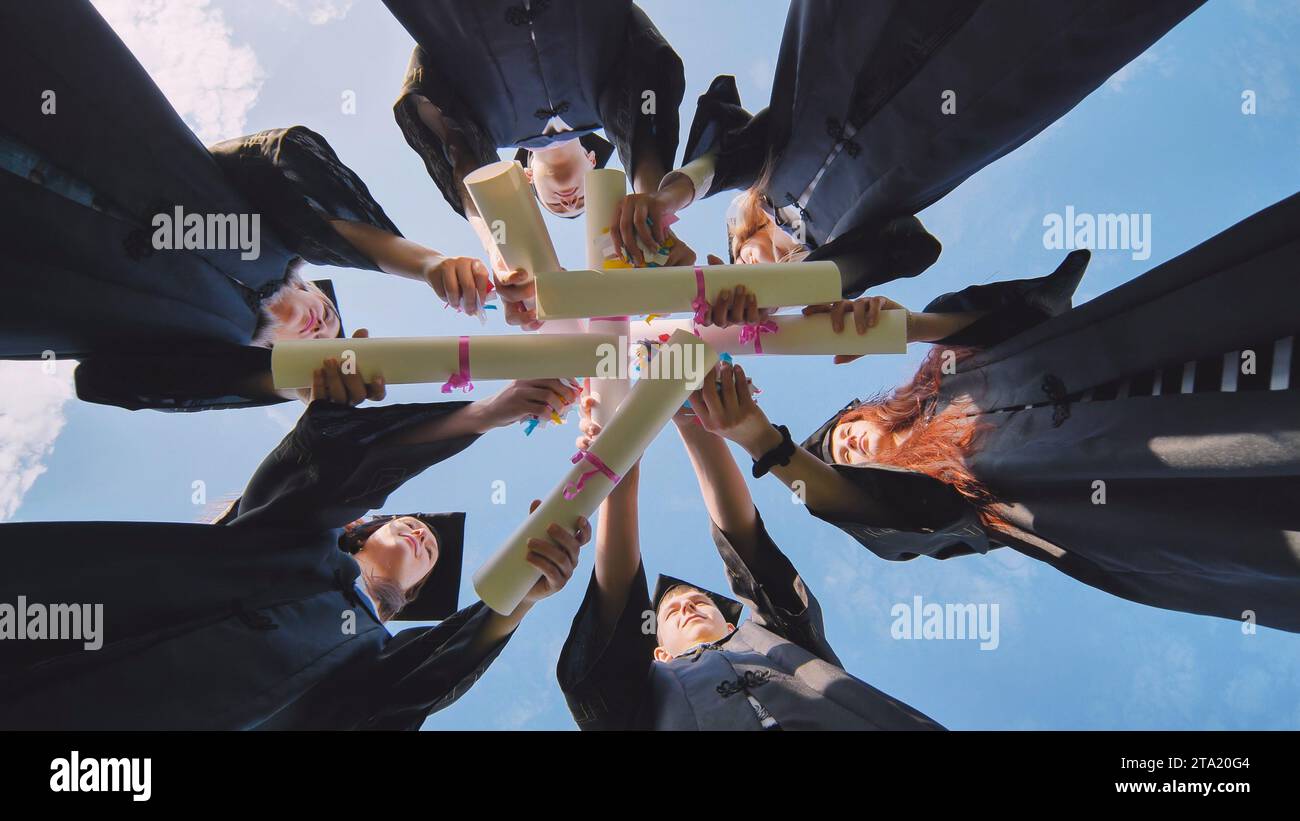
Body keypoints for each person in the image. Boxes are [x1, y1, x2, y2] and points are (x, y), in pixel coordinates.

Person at [695, 193, 1300, 633]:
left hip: (1166, 352)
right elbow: (863, 506)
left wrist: (900, 327)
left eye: (845, 433)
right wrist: (763, 440)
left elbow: (1025, 318)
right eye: (841, 460)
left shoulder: (948, 376)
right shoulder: (955, 503)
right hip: (1152, 474)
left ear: (874, 411)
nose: (846, 447)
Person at [0, 362, 589, 729]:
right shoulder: (287, 542)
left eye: (431, 551)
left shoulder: (369, 662)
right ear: (358, 527)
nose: (421, 532)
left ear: (411, 598)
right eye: (408, 523)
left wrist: (519, 596)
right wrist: (486, 413)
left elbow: (426, 681)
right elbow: (321, 477)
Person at [0, 2, 485, 411]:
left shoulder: (213, 344)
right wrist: (428, 265)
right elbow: (285, 170)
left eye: (316, 348)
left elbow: (108, 381)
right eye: (332, 320)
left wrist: (293, 382)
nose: (323, 329)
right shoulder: (265, 239)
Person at [616, 0, 1205, 300]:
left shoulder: (763, 168)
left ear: (741, 235)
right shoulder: (843, 248)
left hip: (858, 43)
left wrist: (665, 198)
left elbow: (726, 157)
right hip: (972, 86)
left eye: (741, 258)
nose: (752, 267)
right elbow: (914, 249)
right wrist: (810, 289)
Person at [556, 367, 943, 730]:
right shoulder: (641, 696)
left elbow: (747, 546)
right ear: (660, 654)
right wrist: (620, 466)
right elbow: (615, 610)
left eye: (696, 602)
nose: (687, 606)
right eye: (672, 612)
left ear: (730, 624)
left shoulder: (779, 639)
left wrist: (695, 420)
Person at [386, 0, 686, 318]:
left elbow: (462, 156)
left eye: (556, 206)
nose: (570, 202)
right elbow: (644, 117)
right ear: (592, 158)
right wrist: (653, 212)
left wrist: (499, 250)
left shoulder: (484, 125)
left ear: (527, 176)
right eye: (583, 200)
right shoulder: (610, 94)